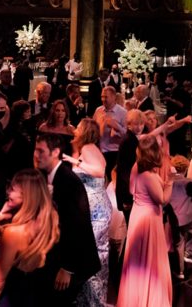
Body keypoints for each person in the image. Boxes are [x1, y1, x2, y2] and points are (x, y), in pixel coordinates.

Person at [33, 132, 101, 304]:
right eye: (35, 150)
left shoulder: (69, 182)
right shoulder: (42, 175)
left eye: (41, 151)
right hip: (55, 253)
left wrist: (67, 268)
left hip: (73, 260)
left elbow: (77, 225)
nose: (36, 155)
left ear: (55, 152)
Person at [0, 169, 60, 307]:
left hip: (17, 297)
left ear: (27, 195)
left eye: (12, 189)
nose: (8, 192)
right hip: (43, 296)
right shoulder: (51, 217)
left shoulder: (14, 233)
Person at [115, 133, 173, 307]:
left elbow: (133, 191)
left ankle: (134, 298)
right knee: (149, 261)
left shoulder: (136, 167)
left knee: (137, 259)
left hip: (137, 214)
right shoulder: (148, 175)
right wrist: (170, 182)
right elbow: (162, 199)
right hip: (149, 219)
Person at [64, 118, 111, 307]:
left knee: (91, 254)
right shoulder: (92, 148)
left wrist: (74, 162)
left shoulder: (87, 148)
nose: (75, 130)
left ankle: (94, 301)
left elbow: (99, 172)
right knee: (96, 254)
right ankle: (91, 299)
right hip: (97, 208)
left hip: (95, 211)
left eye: (78, 127)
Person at [93, 85, 126, 178]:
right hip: (99, 150)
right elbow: (92, 129)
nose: (103, 99)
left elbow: (127, 134)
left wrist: (117, 126)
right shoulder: (98, 110)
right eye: (102, 97)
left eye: (106, 97)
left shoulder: (123, 112)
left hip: (114, 152)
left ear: (114, 97)